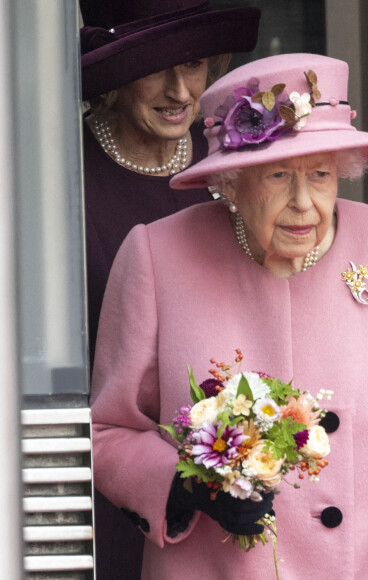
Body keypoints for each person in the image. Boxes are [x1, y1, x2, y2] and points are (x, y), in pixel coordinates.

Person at [90, 53, 368, 579]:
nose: (303, 202)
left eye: (320, 174)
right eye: (277, 175)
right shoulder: (158, 257)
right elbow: (110, 431)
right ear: (232, 181)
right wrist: (184, 488)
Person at [80, 1, 260, 578]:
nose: (180, 90)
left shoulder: (238, 166)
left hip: (233, 488)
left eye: (195, 64)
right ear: (113, 76)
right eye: (156, 67)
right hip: (103, 486)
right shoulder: (64, 175)